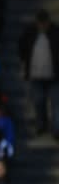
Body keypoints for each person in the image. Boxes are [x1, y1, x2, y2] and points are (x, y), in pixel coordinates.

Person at [18, 9, 59, 138]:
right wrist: (25, 64)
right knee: (38, 102)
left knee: (56, 104)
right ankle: (41, 125)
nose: (42, 26)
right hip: (35, 75)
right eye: (40, 23)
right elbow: (22, 48)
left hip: (55, 76)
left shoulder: (56, 32)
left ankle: (56, 129)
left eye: (44, 23)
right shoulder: (29, 32)